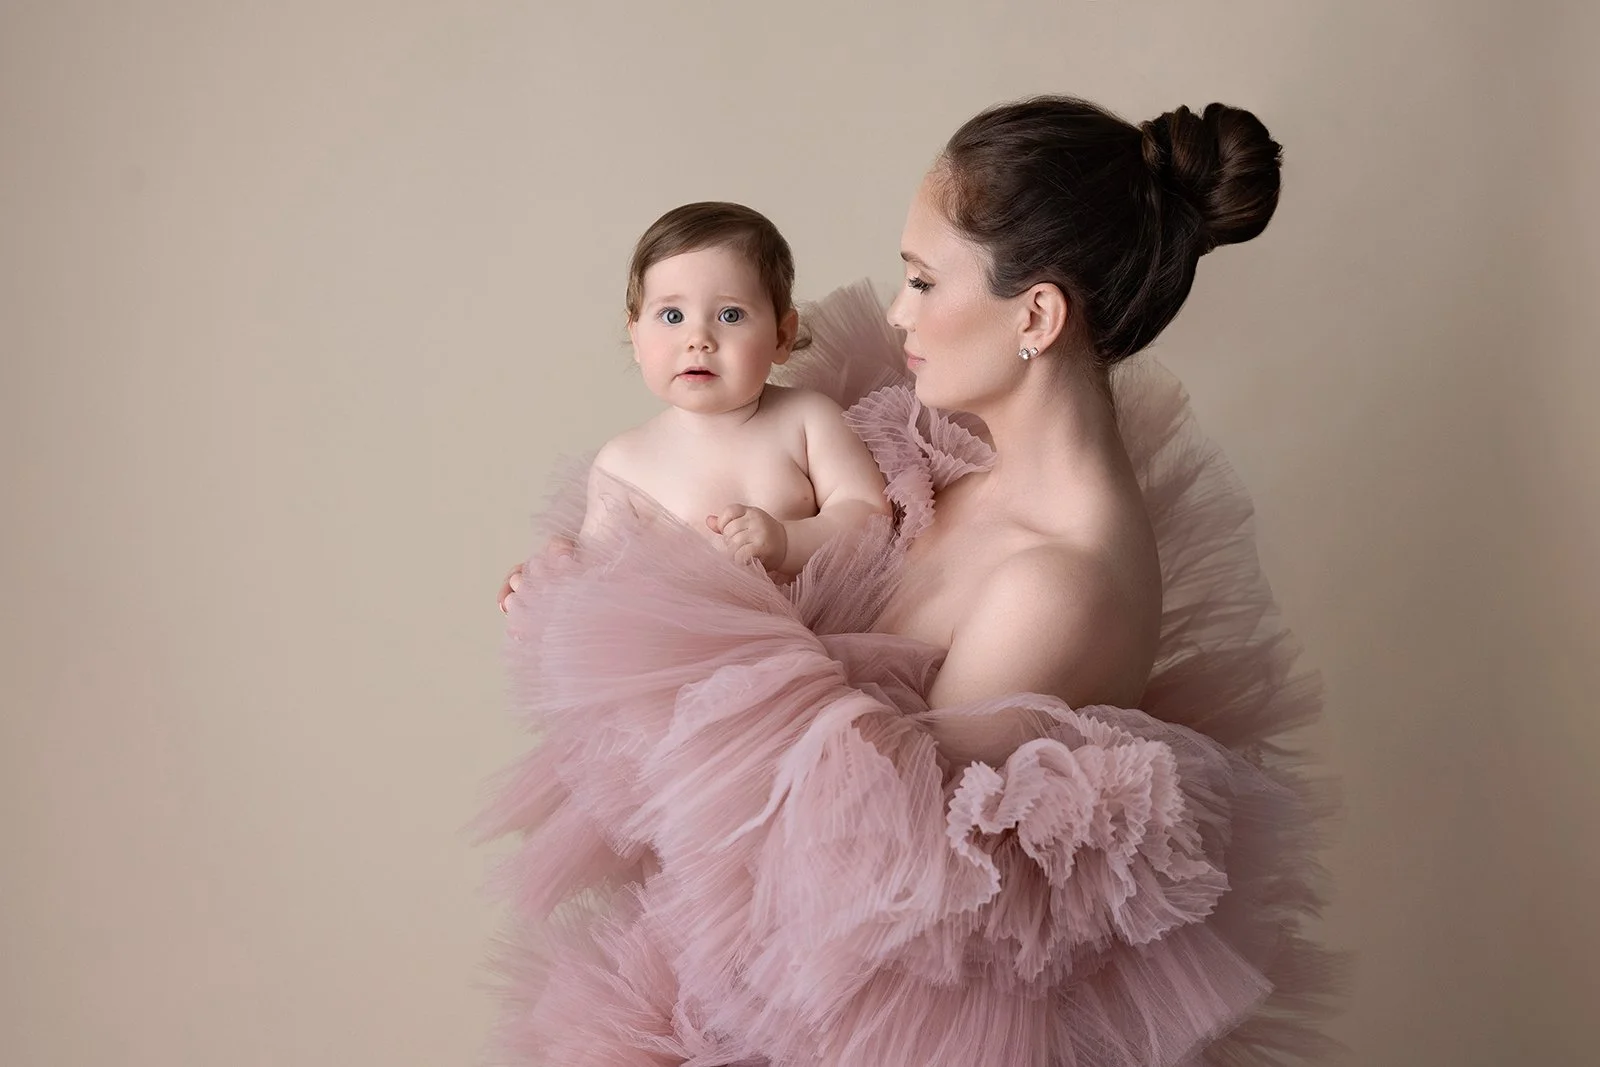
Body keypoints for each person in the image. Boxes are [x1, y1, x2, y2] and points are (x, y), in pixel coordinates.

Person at [484, 96, 1338, 1067]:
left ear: (1037, 313)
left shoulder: (1055, 583)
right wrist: (602, 582)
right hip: (742, 965)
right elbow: (733, 490)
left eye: (924, 280)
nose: (896, 313)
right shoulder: (936, 450)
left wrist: (655, 668)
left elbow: (873, 902)